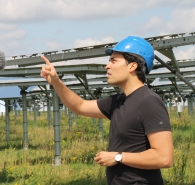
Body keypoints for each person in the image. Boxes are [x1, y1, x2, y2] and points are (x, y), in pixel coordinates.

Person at [40, 36, 173, 184]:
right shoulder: (118, 101)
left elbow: (164, 157)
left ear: (132, 66)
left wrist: (118, 157)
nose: (107, 66)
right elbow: (80, 106)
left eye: (113, 60)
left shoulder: (148, 102)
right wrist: (56, 82)